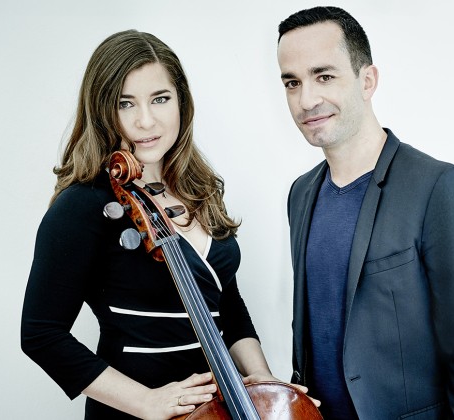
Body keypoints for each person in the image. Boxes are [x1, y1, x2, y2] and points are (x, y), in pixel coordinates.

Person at [21, 30, 282, 419]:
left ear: (181, 102)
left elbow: (225, 301)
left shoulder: (200, 191)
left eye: (160, 99)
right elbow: (41, 334)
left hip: (219, 410)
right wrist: (147, 401)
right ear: (103, 110)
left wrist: (261, 382)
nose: (146, 120)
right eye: (126, 104)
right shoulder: (84, 204)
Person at [277, 7, 454, 419]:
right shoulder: (301, 194)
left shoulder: (441, 188)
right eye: (292, 82)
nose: (307, 99)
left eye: (324, 76)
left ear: (367, 81)